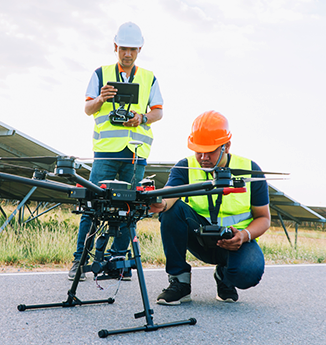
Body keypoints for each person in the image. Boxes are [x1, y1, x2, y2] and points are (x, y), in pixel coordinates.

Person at [68, 21, 164, 281]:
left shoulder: (148, 77)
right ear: (115, 47)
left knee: (129, 208)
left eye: (133, 49)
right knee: (93, 206)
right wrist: (101, 99)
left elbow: (159, 111)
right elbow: (88, 109)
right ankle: (80, 261)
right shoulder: (100, 73)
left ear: (139, 49)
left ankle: (118, 262)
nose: (128, 54)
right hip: (107, 154)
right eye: (123, 48)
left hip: (135, 153)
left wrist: (141, 118)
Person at [150, 110, 270, 304]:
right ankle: (179, 282)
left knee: (249, 272)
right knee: (172, 211)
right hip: (199, 238)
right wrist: (159, 203)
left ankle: (225, 278)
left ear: (227, 146)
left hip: (235, 241)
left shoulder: (251, 170)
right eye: (199, 150)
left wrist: (244, 235)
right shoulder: (185, 166)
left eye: (211, 150)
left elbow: (264, 218)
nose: (204, 157)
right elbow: (169, 196)